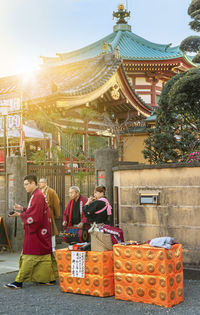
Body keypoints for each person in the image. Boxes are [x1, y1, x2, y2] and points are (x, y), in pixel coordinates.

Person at [4, 174, 58, 289]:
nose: (25, 187)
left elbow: (35, 217)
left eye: (27, 184)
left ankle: (19, 281)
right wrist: (22, 209)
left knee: (29, 255)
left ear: (33, 183)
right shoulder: (36, 194)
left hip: (37, 232)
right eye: (24, 185)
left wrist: (19, 214)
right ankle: (49, 278)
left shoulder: (37, 195)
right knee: (43, 255)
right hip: (42, 231)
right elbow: (33, 211)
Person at [39, 178, 60, 252]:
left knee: (51, 229)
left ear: (45, 183)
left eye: (41, 182)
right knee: (42, 230)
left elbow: (56, 203)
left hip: (48, 212)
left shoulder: (51, 191)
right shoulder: (40, 191)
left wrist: (56, 214)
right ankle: (44, 245)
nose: (40, 184)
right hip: (41, 213)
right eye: (39, 182)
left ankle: (53, 246)